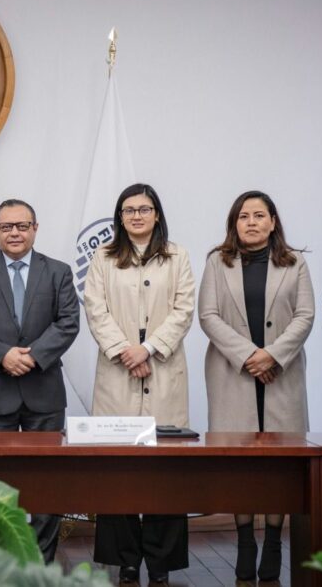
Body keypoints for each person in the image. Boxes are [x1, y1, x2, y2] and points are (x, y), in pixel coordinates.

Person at [0, 198, 79, 563]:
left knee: (47, 482)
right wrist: (3, 355)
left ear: (35, 229)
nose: (14, 233)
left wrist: (34, 356)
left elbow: (68, 321)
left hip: (45, 392)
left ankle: (40, 563)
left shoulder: (58, 272)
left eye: (22, 226)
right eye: (6, 226)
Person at [198, 190, 315, 582]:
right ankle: (245, 540)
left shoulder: (294, 262)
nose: (251, 222)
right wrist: (250, 356)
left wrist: (272, 356)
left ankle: (275, 541)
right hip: (233, 374)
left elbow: (305, 316)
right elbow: (208, 316)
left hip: (282, 374)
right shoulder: (218, 261)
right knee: (240, 462)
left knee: (280, 464)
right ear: (234, 223)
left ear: (273, 221)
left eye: (259, 215)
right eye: (243, 216)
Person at [83, 183, 194, 586]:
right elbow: (95, 309)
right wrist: (125, 351)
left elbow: (184, 309)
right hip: (118, 372)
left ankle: (161, 561)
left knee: (165, 470)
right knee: (119, 468)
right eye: (128, 210)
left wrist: (148, 349)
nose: (136, 216)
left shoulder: (177, 256)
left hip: (163, 369)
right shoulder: (103, 257)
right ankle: (126, 560)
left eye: (144, 209)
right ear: (120, 217)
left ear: (157, 214)